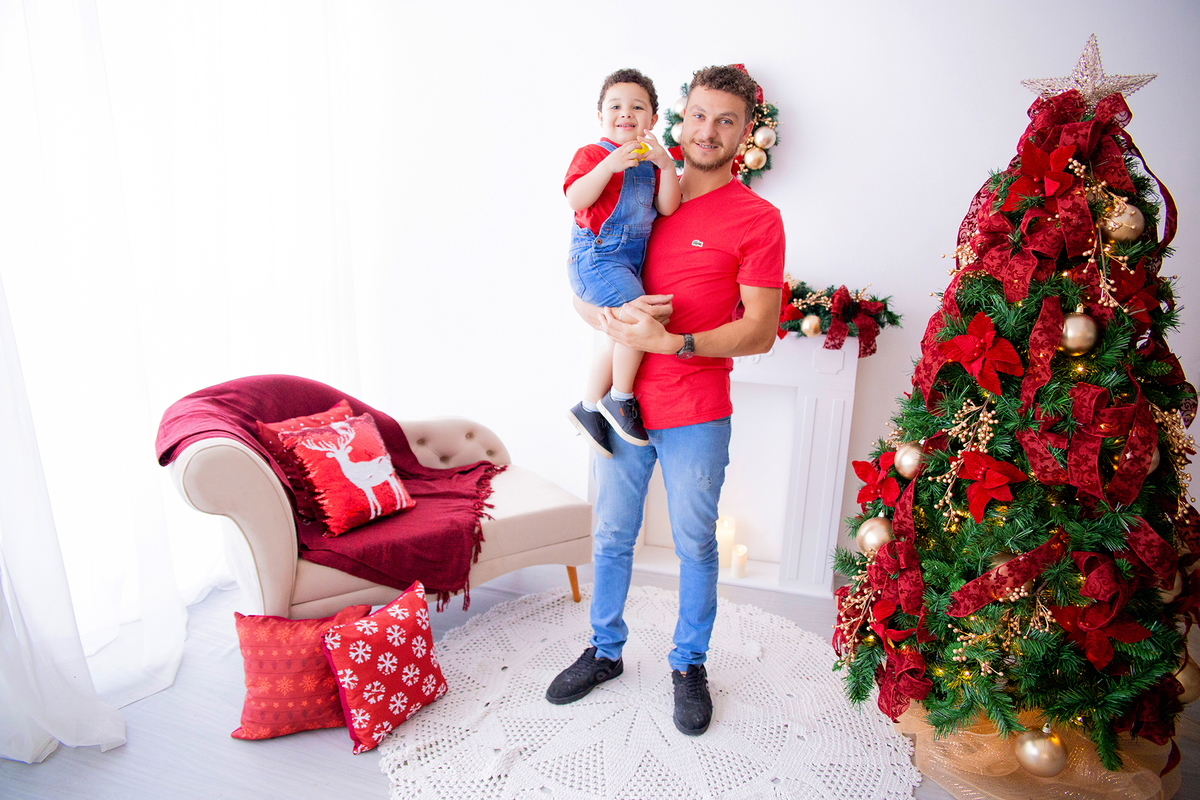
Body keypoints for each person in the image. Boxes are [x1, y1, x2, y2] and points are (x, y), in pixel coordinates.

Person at [546, 65, 785, 737]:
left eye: (727, 120)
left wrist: (672, 342)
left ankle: (688, 665)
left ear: (745, 134)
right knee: (613, 534)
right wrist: (598, 316)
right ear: (680, 119)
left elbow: (760, 331)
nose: (709, 130)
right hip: (625, 408)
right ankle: (604, 650)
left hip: (697, 408)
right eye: (700, 115)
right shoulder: (641, 179)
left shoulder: (758, 219)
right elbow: (586, 271)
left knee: (694, 545)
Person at [564, 68, 682, 457]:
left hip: (625, 264)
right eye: (615, 106)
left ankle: (587, 406)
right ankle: (620, 396)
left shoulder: (652, 164)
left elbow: (668, 207)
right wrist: (608, 167)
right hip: (596, 258)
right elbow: (577, 199)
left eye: (637, 106)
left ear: (653, 118)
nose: (625, 112)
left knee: (621, 331)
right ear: (601, 116)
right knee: (639, 321)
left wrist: (666, 166)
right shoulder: (594, 155)